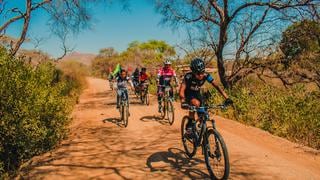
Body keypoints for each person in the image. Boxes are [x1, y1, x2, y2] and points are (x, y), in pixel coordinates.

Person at [179, 58, 233, 134]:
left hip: (197, 94)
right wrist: (182, 101)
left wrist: (227, 98)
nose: (201, 75)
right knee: (195, 103)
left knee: (203, 112)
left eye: (202, 72)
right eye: (198, 73)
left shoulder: (206, 75)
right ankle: (189, 125)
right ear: (193, 72)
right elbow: (181, 90)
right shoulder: (188, 77)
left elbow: (217, 86)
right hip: (188, 94)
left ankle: (202, 132)